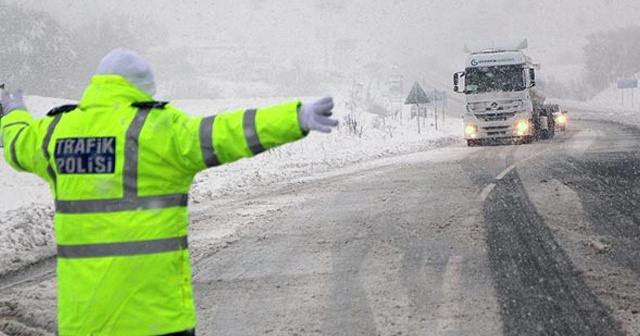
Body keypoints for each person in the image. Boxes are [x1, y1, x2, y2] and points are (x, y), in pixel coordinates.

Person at [0, 48, 338, 335]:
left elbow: (17, 144)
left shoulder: (56, 133)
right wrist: (294, 118)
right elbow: (225, 132)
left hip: (85, 322)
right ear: (141, 91)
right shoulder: (159, 130)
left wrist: (13, 110)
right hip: (156, 319)